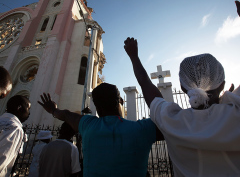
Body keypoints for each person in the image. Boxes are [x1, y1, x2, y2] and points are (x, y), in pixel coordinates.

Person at [124, 37, 240, 176]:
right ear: (222, 84)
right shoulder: (235, 114)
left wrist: (134, 57)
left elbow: (144, 82)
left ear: (183, 87)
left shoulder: (172, 121)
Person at [38, 83, 164, 177]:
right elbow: (170, 122)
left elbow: (66, 115)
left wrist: (53, 110)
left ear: (97, 108)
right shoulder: (142, 129)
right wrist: (134, 58)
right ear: (120, 101)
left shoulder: (88, 125)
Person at [0, 95, 31, 176]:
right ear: (19, 108)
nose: (29, 113)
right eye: (28, 108)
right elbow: (3, 158)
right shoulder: (14, 128)